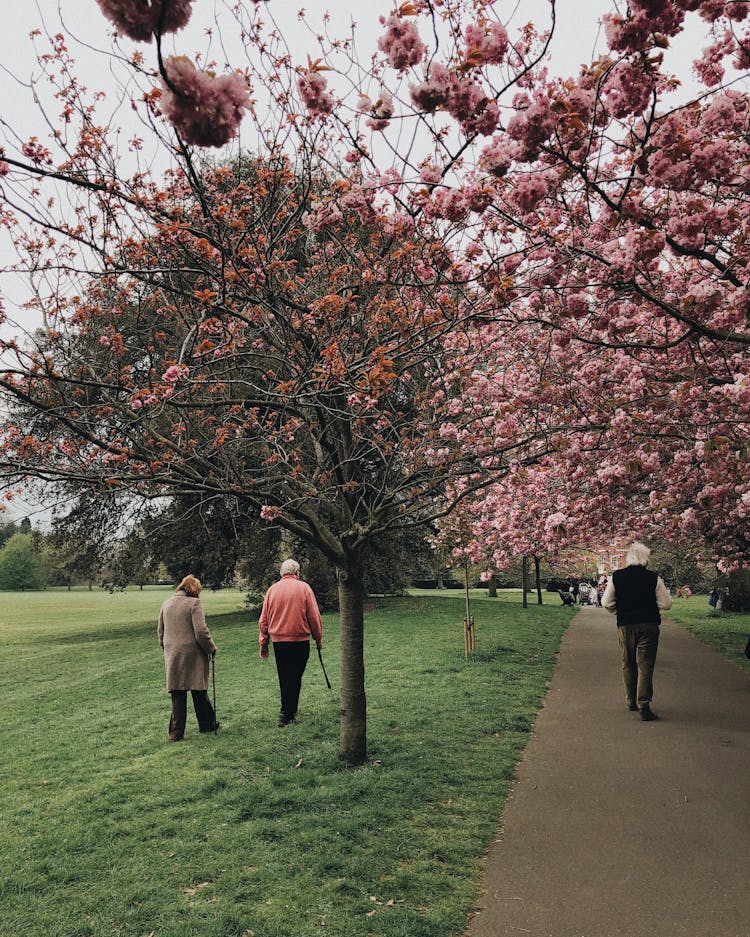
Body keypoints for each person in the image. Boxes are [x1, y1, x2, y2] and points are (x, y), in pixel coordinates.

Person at [602, 542, 672, 721]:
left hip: (626, 625)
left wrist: (621, 610)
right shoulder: (653, 578)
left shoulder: (617, 577)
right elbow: (666, 604)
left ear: (628, 558)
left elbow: (606, 603)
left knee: (628, 663)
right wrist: (648, 605)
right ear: (645, 558)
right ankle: (644, 705)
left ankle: (630, 700)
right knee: (645, 665)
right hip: (649, 625)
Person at [258, 558, 323, 727]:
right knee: (294, 677)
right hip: (299, 641)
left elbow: (263, 620)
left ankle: (289, 711)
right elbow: (314, 617)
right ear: (297, 572)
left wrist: (264, 643)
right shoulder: (304, 588)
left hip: (279, 642)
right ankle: (286, 713)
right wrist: (318, 638)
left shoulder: (272, 590)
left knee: (285, 676)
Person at [158, 574, 219, 741]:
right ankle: (207, 724)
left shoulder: (166, 603)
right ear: (194, 589)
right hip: (193, 653)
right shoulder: (194, 604)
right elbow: (201, 631)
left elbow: (160, 632)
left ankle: (176, 733)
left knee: (177, 692)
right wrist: (211, 648)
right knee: (198, 689)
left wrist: (168, 648)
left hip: (173, 653)